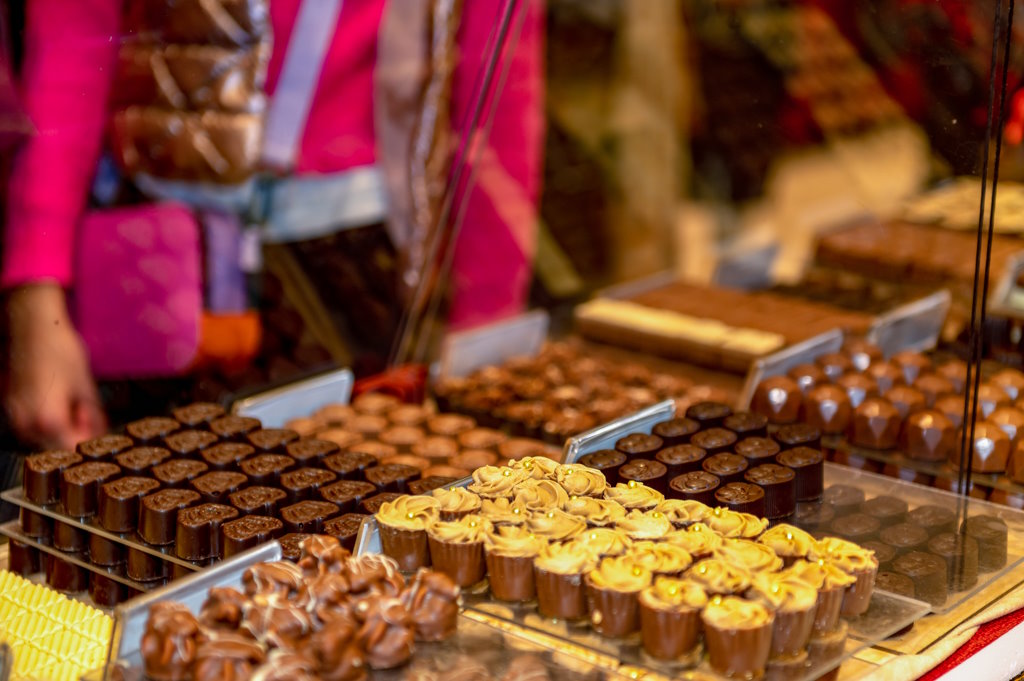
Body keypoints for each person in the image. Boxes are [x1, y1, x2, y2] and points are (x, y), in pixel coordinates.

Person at [2, 0, 545, 451]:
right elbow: (74, 34)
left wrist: (487, 323)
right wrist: (36, 294)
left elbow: (499, 74)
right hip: (159, 261)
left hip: (355, 275)